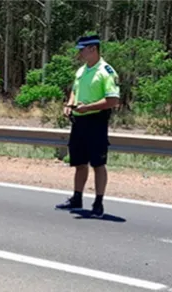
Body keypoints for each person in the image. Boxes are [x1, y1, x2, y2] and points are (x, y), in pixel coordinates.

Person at [55, 34, 120, 219]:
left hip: (96, 121)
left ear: (93, 49)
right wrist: (70, 104)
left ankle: (98, 202)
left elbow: (113, 100)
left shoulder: (106, 71)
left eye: (82, 49)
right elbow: (75, 91)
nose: (80, 53)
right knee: (79, 163)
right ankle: (77, 197)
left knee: (98, 164)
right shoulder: (81, 70)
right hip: (79, 121)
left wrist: (88, 108)